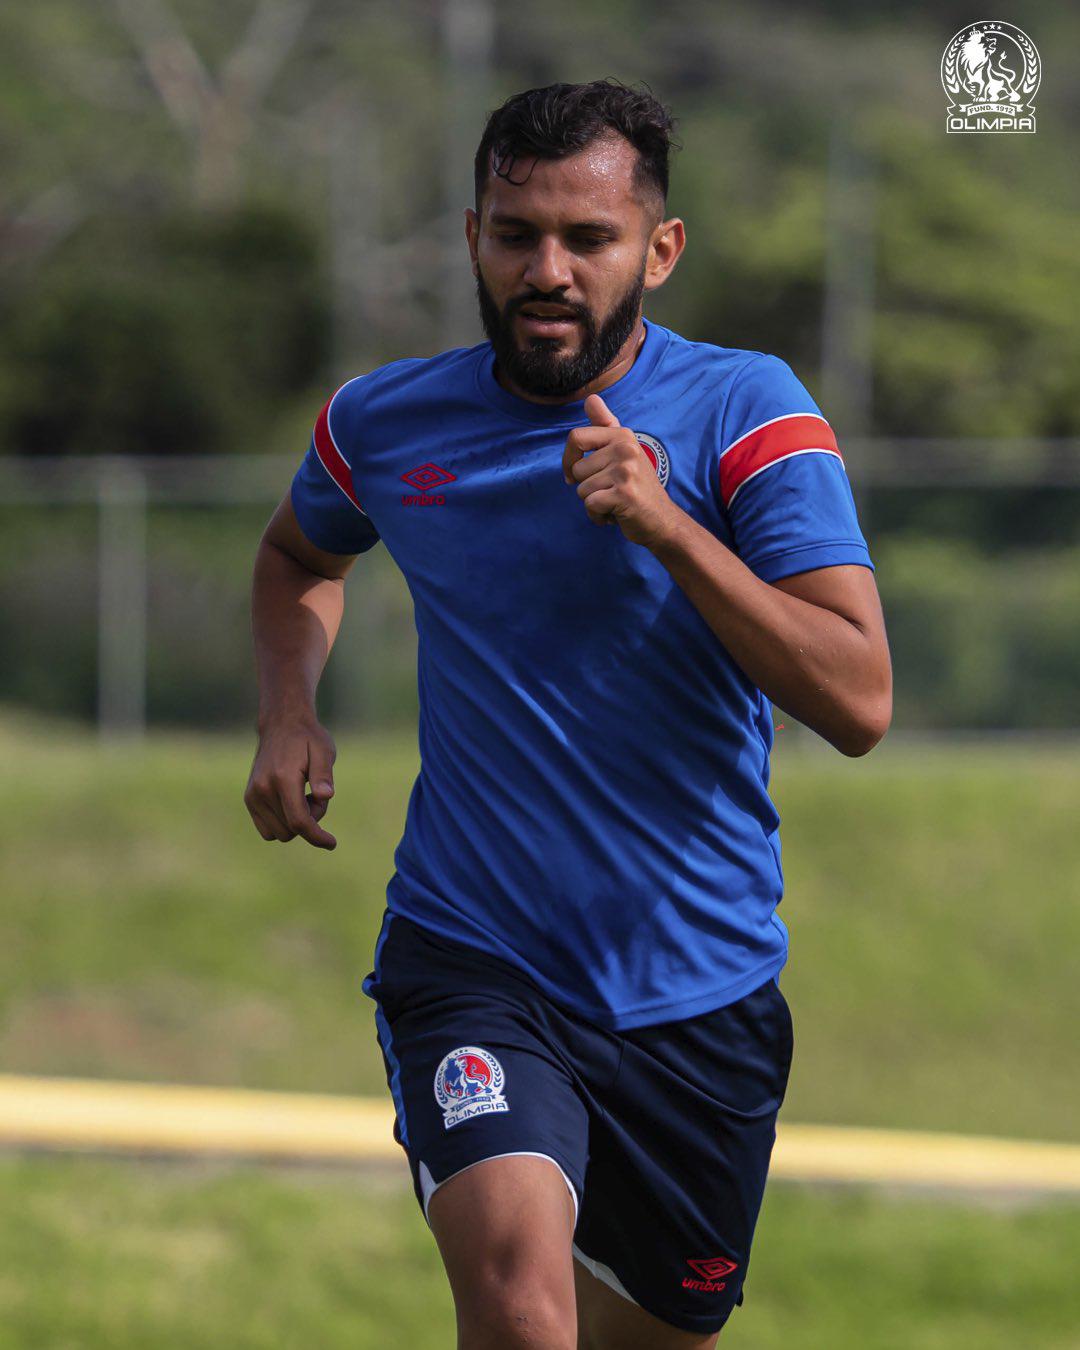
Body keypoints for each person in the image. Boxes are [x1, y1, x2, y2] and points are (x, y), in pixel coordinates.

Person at [244, 78, 891, 1350]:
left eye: (587, 240)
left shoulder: (749, 416)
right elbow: (295, 559)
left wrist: (668, 525)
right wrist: (286, 711)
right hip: (472, 956)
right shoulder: (381, 422)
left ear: (658, 250)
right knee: (522, 1315)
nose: (547, 270)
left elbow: (858, 697)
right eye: (514, 233)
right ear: (471, 235)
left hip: (697, 990)